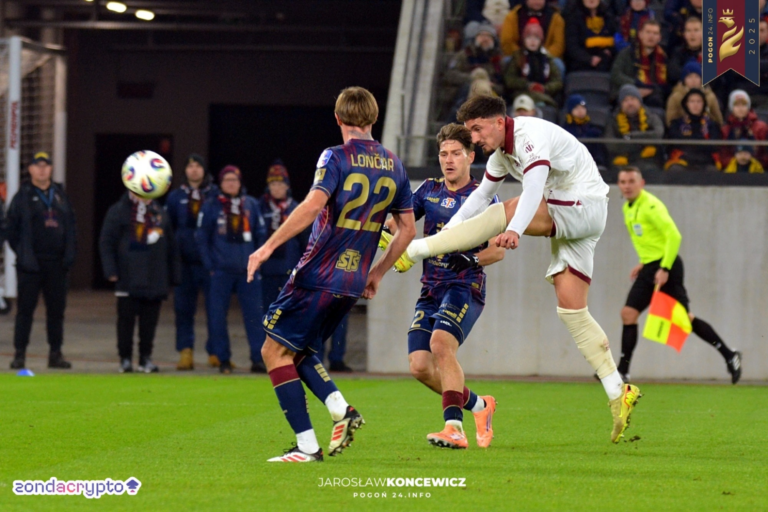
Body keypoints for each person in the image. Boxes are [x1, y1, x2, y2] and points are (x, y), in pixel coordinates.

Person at [396, 95, 641, 444]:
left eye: (477, 130)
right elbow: (480, 197)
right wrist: (450, 232)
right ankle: (619, 390)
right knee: (571, 309)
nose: (475, 139)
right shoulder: (500, 155)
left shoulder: (529, 136)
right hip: (575, 214)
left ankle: (415, 251)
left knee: (508, 209)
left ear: (499, 122)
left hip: (582, 202)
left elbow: (532, 191)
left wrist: (512, 228)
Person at [246, 87, 416, 462]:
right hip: (352, 281)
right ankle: (341, 409)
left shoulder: (335, 156)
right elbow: (407, 230)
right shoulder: (395, 164)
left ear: (338, 119)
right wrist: (378, 273)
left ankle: (308, 446)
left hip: (317, 273)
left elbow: (311, 205)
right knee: (300, 349)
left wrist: (268, 246)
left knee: (273, 351)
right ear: (373, 119)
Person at [383, 123, 503, 449]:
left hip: (465, 286)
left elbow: (498, 249)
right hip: (431, 288)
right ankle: (480, 405)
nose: (448, 160)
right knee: (420, 366)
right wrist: (383, 229)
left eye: (455, 154)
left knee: (440, 345)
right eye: (443, 154)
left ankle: (454, 428)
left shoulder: (483, 197)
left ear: (470, 157)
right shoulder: (429, 190)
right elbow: (400, 224)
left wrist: (473, 260)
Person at [615, 167, 742, 383]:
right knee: (628, 313)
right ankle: (622, 371)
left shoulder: (651, 205)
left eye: (631, 181)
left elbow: (674, 236)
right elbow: (651, 240)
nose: (626, 186)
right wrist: (644, 262)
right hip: (651, 267)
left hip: (668, 267)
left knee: (684, 319)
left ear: (642, 183)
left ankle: (730, 356)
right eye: (623, 181)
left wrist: (664, 268)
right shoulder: (628, 207)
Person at [7, 152, 76, 370]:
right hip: (31, 266)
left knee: (56, 312)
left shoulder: (60, 195)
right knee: (25, 311)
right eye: (38, 166)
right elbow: (11, 229)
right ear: (30, 169)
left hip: (56, 264)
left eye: (46, 165)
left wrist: (69, 254)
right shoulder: (23, 196)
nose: (42, 170)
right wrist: (23, 253)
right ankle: (20, 354)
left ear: (51, 169)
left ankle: (55, 353)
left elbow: (71, 227)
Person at [99, 189, 180, 373]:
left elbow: (171, 245)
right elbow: (106, 241)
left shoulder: (158, 210)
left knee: (149, 321)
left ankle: (145, 358)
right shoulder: (118, 210)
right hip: (127, 275)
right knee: (126, 320)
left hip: (155, 275)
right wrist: (110, 269)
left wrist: (174, 274)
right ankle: (125, 358)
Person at [196, 165, 267, 374]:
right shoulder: (210, 206)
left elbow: (261, 235)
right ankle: (223, 359)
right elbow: (201, 238)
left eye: (234, 180)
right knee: (217, 316)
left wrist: (258, 261)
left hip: (249, 271)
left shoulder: (251, 205)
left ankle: (258, 359)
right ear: (220, 183)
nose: (231, 183)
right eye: (227, 180)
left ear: (240, 182)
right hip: (221, 272)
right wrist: (210, 266)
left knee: (255, 316)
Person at [165, 154, 219, 371]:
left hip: (210, 263)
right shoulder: (175, 196)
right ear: (185, 171)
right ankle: (185, 351)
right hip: (184, 263)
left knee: (215, 309)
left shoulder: (215, 195)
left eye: (198, 166)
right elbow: (170, 229)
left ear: (204, 170)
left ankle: (216, 351)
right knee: (183, 309)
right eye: (190, 166)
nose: (194, 170)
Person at [259, 161, 308, 318]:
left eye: (280, 183)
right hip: (266, 270)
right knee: (267, 313)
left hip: (289, 270)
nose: (276, 188)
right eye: (273, 184)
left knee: (289, 313)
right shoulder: (260, 206)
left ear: (287, 186)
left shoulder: (297, 208)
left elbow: (305, 242)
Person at [503, 18, 563, 108]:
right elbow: (510, 80)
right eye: (529, 37)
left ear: (541, 41)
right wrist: (528, 85)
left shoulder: (547, 58)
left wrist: (545, 88)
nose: (532, 41)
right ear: (524, 40)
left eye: (536, 38)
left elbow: (557, 81)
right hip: (522, 93)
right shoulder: (518, 57)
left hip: (544, 93)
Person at [604, 84, 665, 172]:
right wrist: (641, 144)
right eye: (625, 100)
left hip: (648, 160)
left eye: (633, 99)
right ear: (621, 104)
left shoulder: (651, 116)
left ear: (639, 101)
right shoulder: (613, 120)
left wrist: (631, 137)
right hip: (622, 161)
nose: (630, 103)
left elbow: (658, 134)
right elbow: (611, 144)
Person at [610, 19, 668, 108]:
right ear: (640, 34)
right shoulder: (627, 53)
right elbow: (616, 74)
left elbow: (664, 83)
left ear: (659, 38)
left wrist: (651, 89)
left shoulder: (663, 57)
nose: (651, 36)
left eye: (655, 33)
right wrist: (635, 86)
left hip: (652, 95)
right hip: (628, 92)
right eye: (648, 32)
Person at [500, 0, 566, 75]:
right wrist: (522, 56)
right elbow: (507, 42)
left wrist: (543, 57)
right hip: (519, 56)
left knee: (558, 64)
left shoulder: (556, 18)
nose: (537, 1)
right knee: (507, 61)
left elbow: (558, 45)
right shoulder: (513, 16)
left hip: (546, 57)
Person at [664, 89, 722, 172]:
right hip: (682, 160)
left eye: (699, 102)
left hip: (706, 161)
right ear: (686, 104)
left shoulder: (712, 125)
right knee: (675, 170)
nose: (695, 105)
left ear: (704, 104)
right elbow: (675, 142)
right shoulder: (676, 123)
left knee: (713, 171)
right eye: (692, 101)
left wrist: (690, 141)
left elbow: (714, 146)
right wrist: (700, 142)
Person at [665, 60, 723, 127]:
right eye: (689, 77)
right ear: (684, 79)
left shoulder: (710, 97)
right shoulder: (676, 97)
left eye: (697, 77)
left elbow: (718, 121)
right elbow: (670, 121)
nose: (693, 80)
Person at [564, 0, 617, 72]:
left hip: (605, 61)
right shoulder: (573, 17)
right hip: (580, 63)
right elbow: (572, 46)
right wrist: (589, 59)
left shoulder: (608, 16)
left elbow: (614, 40)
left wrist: (608, 51)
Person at [721, 90, 768, 168]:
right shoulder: (725, 130)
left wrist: (754, 162)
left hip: (758, 171)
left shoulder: (761, 127)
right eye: (736, 105)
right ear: (731, 108)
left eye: (743, 104)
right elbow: (723, 156)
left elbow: (765, 154)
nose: (740, 108)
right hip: (732, 172)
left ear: (748, 107)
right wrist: (737, 162)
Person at [562, 94, 607, 167]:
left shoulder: (594, 130)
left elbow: (599, 151)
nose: (580, 111)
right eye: (576, 108)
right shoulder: (564, 130)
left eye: (583, 107)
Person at [667, 17, 702, 85]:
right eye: (688, 31)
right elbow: (673, 74)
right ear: (684, 34)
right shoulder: (677, 52)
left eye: (696, 30)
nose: (692, 34)